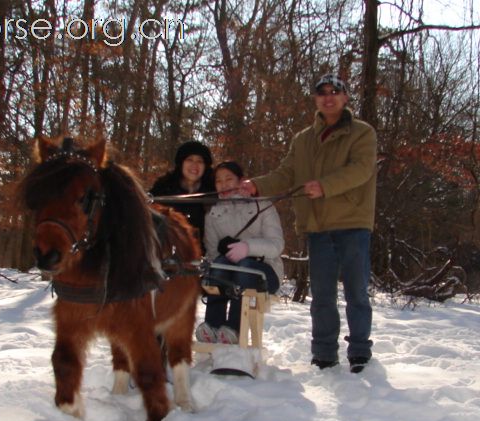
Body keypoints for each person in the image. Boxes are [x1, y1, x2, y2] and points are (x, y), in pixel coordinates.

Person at [241, 73, 377, 373]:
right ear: (315, 100)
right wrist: (256, 185)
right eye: (322, 93)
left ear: (345, 98)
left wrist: (325, 185)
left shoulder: (362, 133)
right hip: (317, 227)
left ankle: (359, 353)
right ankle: (324, 354)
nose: (328, 97)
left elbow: (361, 170)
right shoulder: (302, 139)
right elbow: (286, 174)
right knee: (322, 296)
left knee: (356, 292)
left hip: (353, 224)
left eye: (335, 92)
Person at [195, 161, 284, 344]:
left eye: (229, 179)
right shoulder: (212, 215)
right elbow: (212, 254)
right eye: (219, 181)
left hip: (266, 272)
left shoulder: (262, 205)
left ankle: (234, 328)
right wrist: (220, 253)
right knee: (219, 265)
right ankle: (212, 324)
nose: (223, 184)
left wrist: (248, 247)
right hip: (228, 272)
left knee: (245, 268)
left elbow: (277, 245)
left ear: (241, 181)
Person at [150, 140, 215, 244]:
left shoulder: (213, 191)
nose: (195, 165)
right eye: (190, 160)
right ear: (181, 163)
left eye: (200, 161)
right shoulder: (163, 188)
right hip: (166, 250)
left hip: (205, 253)